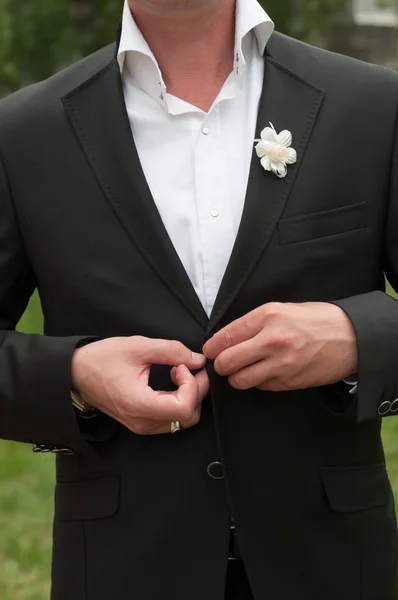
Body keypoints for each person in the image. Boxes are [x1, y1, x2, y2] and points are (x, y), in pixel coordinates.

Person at [0, 0, 398, 597]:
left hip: (334, 567)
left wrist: (358, 338)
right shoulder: (22, 133)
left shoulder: (373, 105)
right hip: (122, 570)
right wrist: (74, 376)